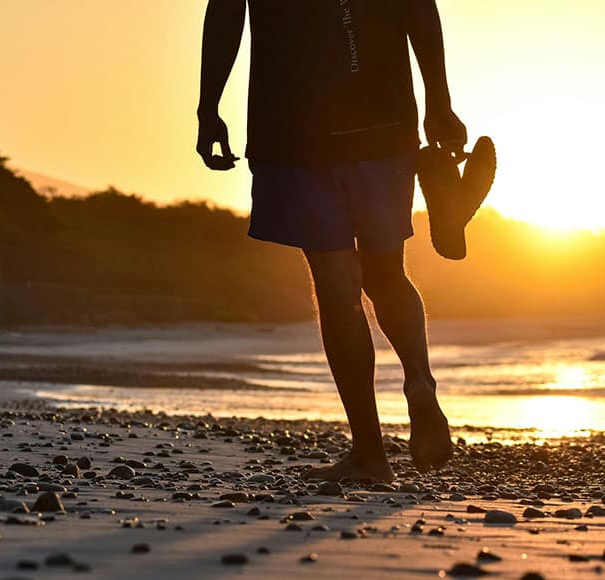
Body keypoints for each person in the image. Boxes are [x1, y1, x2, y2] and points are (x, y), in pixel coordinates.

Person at [196, 0, 466, 482]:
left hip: (296, 127)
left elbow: (226, 11)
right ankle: (420, 383)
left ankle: (371, 455)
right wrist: (439, 101)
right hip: (385, 120)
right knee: (387, 273)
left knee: (338, 291)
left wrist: (208, 107)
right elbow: (418, 6)